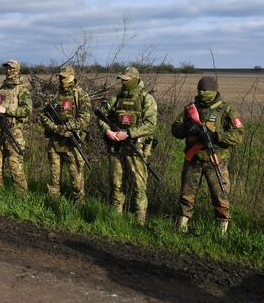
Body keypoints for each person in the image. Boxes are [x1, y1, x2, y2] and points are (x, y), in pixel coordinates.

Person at [171, 76, 244, 234]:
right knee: (186, 195)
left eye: (206, 90)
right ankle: (181, 226)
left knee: (220, 197)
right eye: (200, 90)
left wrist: (216, 137)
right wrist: (186, 129)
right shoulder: (191, 109)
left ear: (214, 91)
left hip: (216, 161)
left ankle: (221, 231)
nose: (203, 93)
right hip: (193, 160)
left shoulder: (226, 110)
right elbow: (175, 128)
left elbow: (238, 135)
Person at [98, 66, 157, 225]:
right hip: (116, 149)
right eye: (122, 79)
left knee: (139, 187)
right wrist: (107, 131)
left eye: (126, 79)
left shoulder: (146, 99)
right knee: (116, 185)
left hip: (136, 149)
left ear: (135, 79)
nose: (123, 82)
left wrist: (129, 133)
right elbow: (100, 116)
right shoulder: (115, 99)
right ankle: (116, 220)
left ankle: (140, 221)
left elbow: (150, 125)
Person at [40, 66, 92, 203]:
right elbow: (44, 115)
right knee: (54, 179)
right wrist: (55, 128)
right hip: (55, 142)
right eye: (60, 77)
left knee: (76, 180)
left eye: (64, 76)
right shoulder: (54, 96)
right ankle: (53, 204)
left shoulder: (81, 95)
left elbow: (85, 117)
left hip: (72, 142)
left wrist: (68, 127)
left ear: (72, 77)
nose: (62, 79)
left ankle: (80, 207)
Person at [0, 59, 32, 191]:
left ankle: (22, 197)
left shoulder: (22, 90)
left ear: (17, 70)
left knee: (15, 166)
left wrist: (7, 110)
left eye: (11, 68)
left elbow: (27, 110)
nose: (8, 71)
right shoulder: (0, 90)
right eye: (6, 68)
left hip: (13, 132)